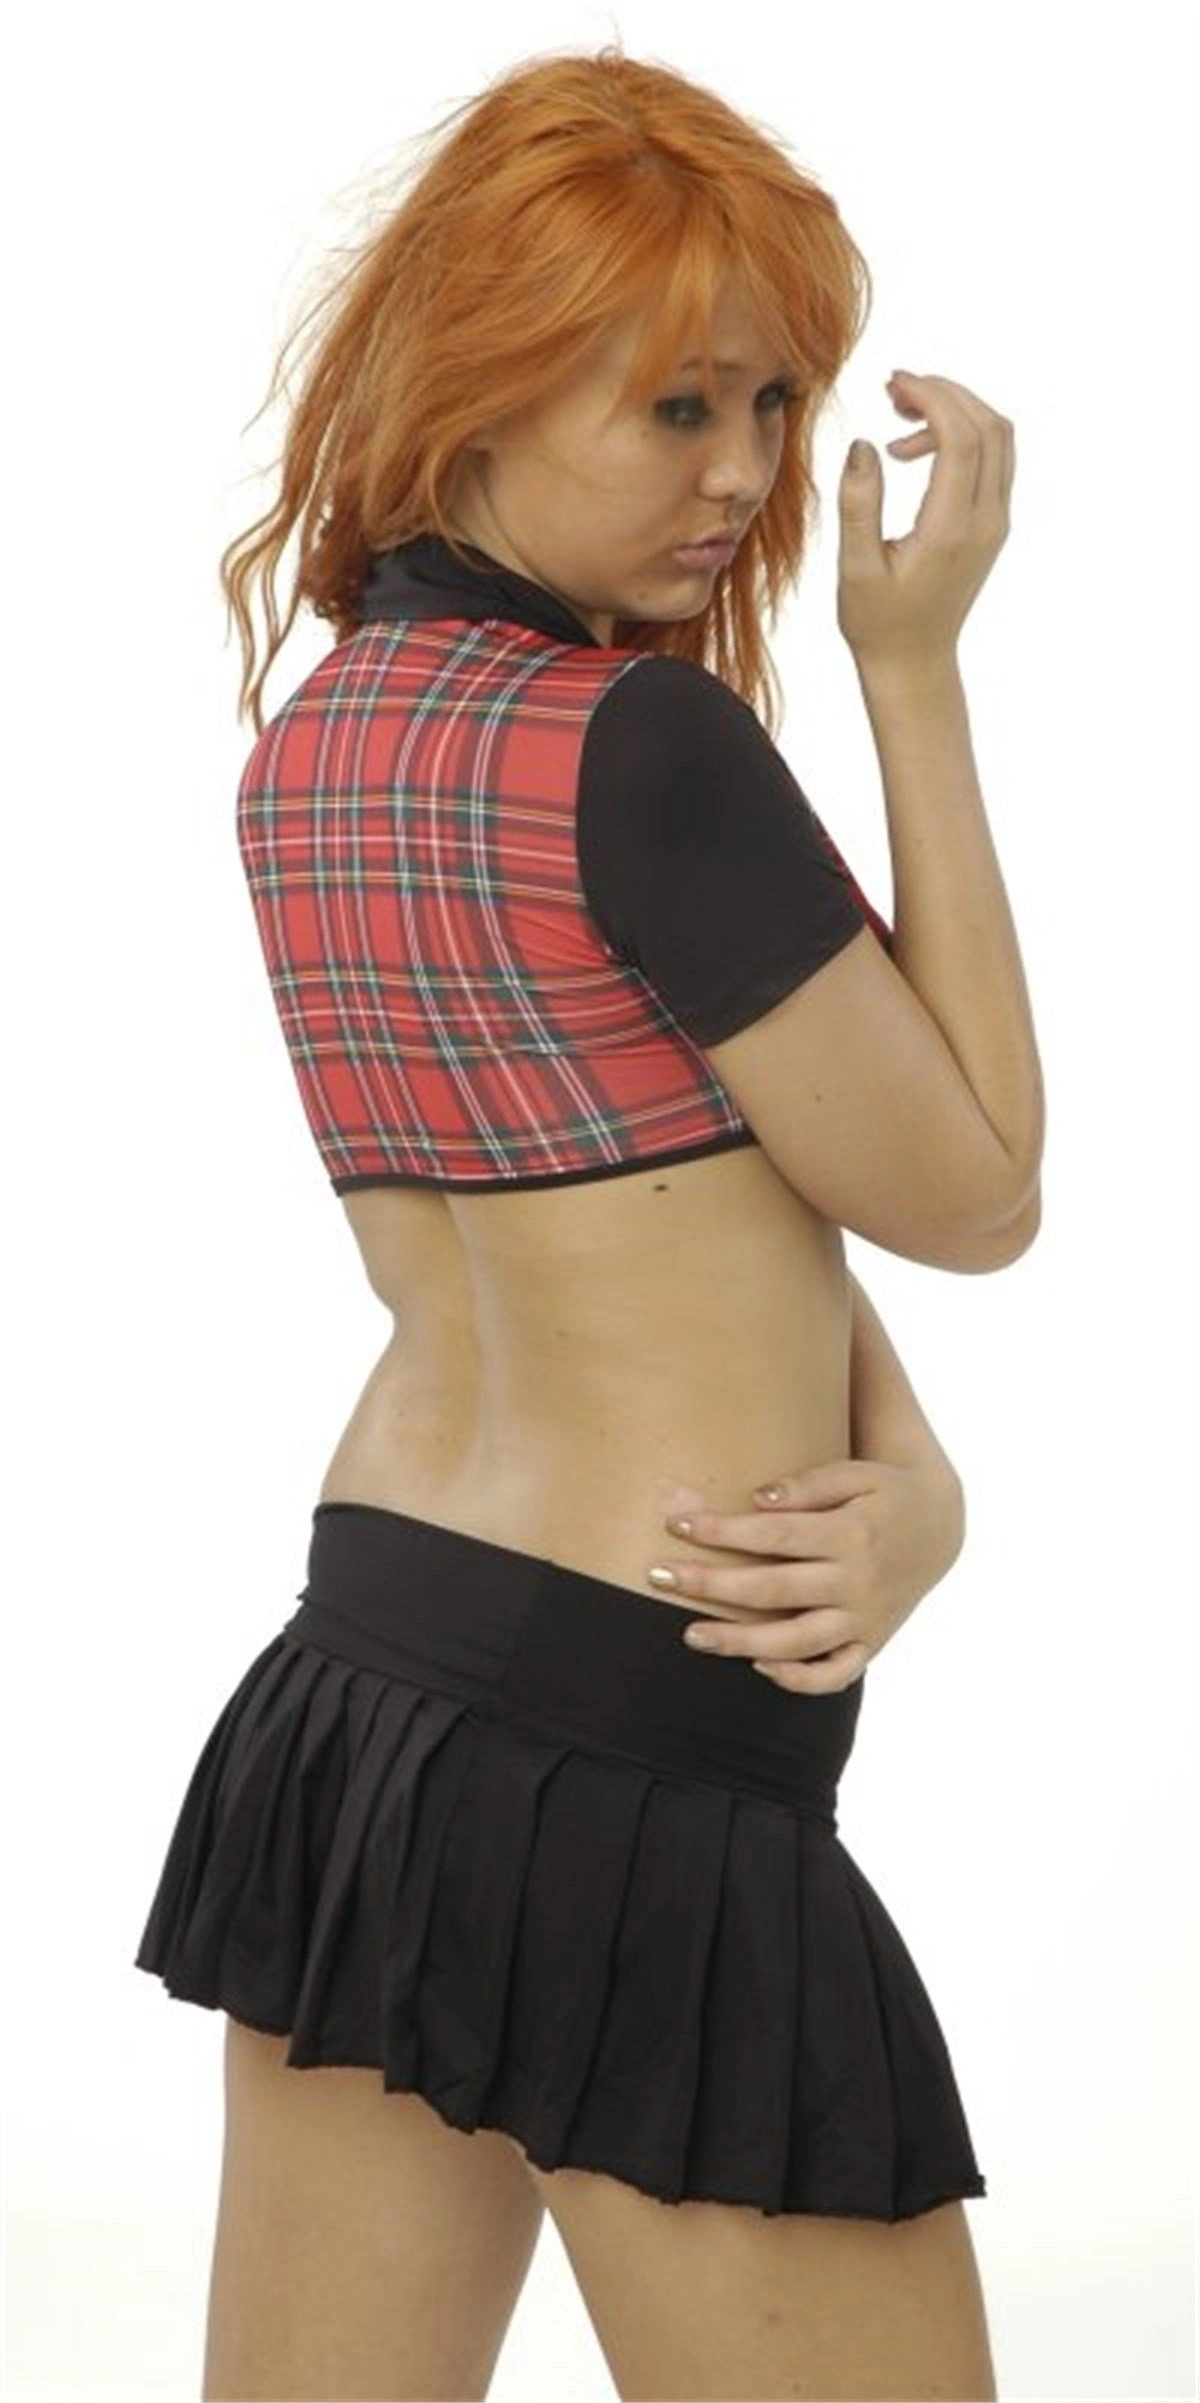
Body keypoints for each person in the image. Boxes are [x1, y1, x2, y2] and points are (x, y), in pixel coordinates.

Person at [134, 43, 1043, 2402]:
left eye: (772, 399)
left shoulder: (316, 749)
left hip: (360, 1694)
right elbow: (974, 1188)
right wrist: (914, 672)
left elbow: (620, 1198)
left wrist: (916, 1477)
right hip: (637, 1742)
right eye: (675, 406)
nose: (744, 471)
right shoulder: (646, 749)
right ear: (480, 383)